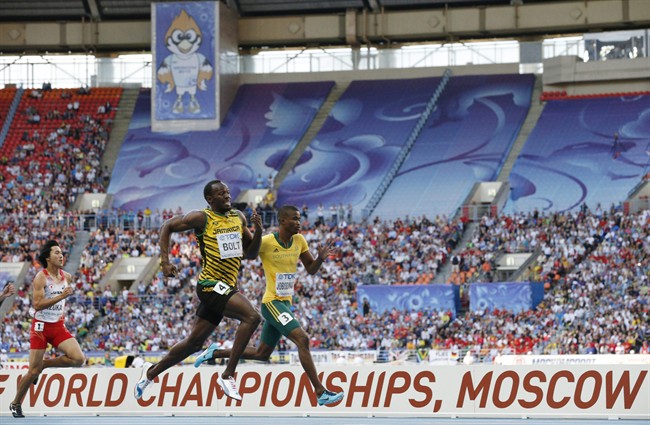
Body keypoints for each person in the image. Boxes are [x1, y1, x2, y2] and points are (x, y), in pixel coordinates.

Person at [194, 204, 345, 406]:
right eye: (295, 219)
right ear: (282, 221)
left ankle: (215, 353)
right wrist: (251, 233)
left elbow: (310, 269)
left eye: (299, 219)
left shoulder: (299, 240)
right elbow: (247, 253)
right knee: (302, 339)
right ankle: (320, 392)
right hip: (272, 302)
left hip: (285, 303)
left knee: (262, 353)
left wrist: (320, 259)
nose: (299, 222)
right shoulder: (266, 241)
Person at [134, 180, 263, 402]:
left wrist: (258, 231)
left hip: (227, 287)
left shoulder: (238, 217)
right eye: (221, 193)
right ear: (210, 199)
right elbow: (167, 226)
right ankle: (228, 375)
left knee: (194, 343)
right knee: (252, 317)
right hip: (210, 285)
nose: (227, 196)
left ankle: (149, 374)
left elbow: (250, 254)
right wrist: (165, 262)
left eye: (228, 192)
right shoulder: (202, 218)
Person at [10, 240, 85, 418]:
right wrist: (61, 296)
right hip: (41, 328)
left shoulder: (67, 277)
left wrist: (61, 299)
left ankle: (44, 364)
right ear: (48, 258)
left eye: (61, 252)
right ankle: (15, 403)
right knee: (33, 371)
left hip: (58, 325)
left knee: (78, 359)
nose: (61, 255)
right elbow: (37, 305)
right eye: (56, 253)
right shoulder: (41, 277)